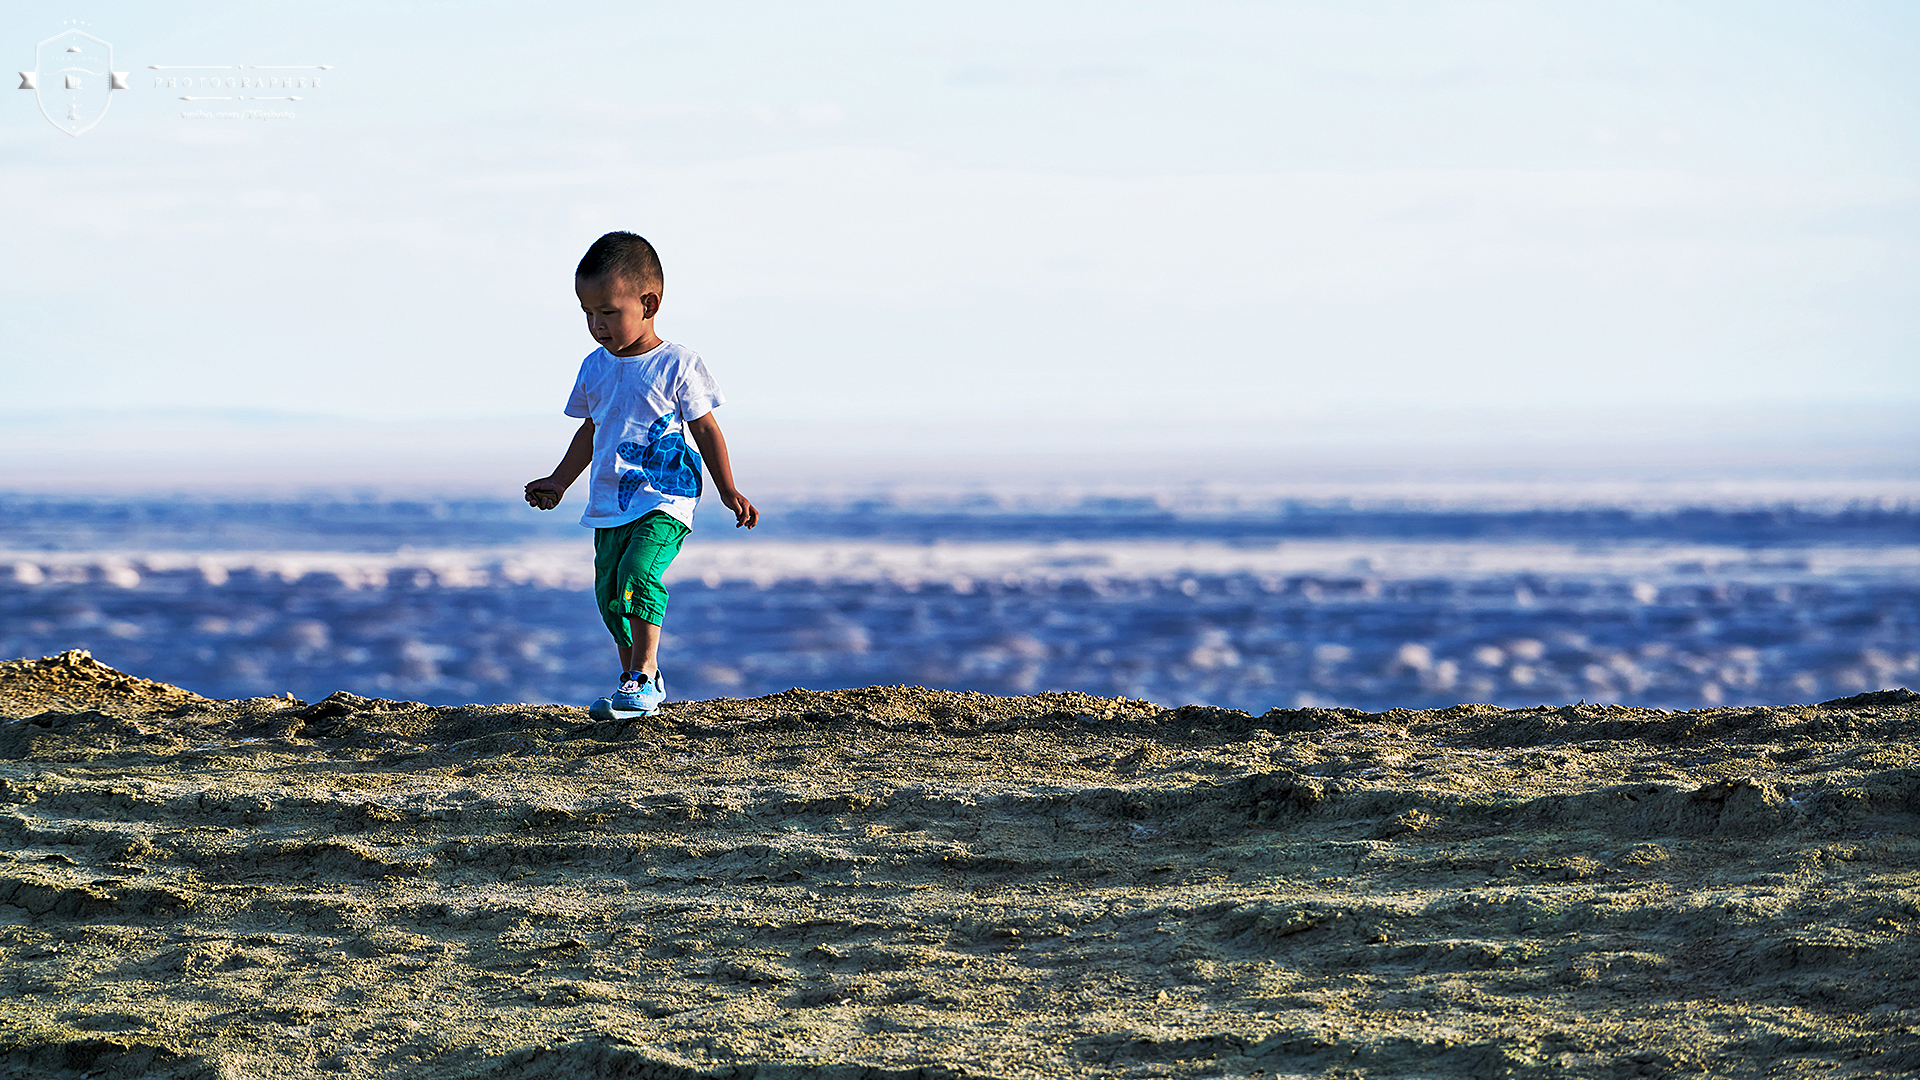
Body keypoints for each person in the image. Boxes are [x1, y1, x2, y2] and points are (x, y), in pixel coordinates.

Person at [524, 231, 758, 718]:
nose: (596, 325)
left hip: (664, 498)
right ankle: (631, 680)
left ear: (649, 302)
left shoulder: (678, 364)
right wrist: (559, 481)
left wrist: (727, 488)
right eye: (587, 313)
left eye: (608, 312)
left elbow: (707, 428)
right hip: (611, 501)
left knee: (636, 575)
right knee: (610, 595)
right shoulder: (594, 367)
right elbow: (592, 432)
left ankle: (645, 674)